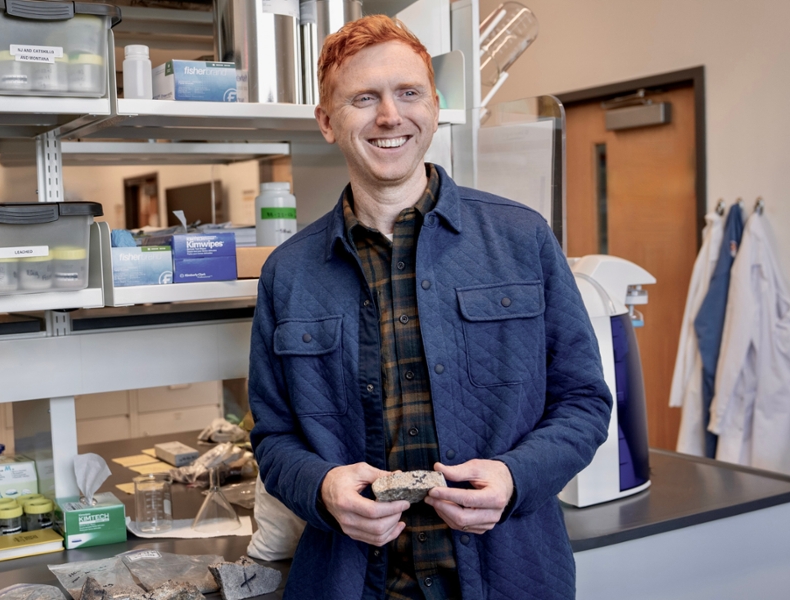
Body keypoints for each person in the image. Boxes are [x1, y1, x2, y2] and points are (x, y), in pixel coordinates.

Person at [249, 14, 612, 600]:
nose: (390, 116)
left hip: (510, 577)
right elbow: (274, 437)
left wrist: (515, 477)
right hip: (351, 583)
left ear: (435, 106)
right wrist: (321, 489)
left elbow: (584, 401)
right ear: (326, 122)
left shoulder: (522, 240)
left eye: (408, 92)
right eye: (363, 98)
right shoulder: (288, 274)